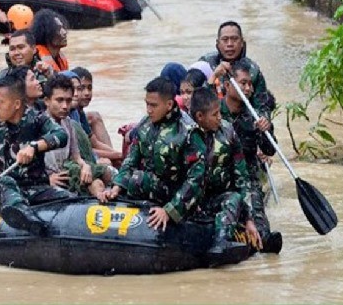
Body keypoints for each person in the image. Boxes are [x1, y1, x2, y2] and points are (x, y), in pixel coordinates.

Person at [98, 77, 206, 232]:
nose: (148, 110)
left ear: (169, 104)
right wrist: (117, 186)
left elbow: (196, 178)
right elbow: (131, 160)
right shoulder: (145, 124)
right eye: (147, 104)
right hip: (149, 187)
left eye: (153, 105)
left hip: (176, 194)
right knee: (134, 179)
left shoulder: (188, 132)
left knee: (138, 179)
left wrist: (169, 211)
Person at [0, 68, 70, 236]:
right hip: (6, 190)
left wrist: (34, 147)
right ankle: (27, 220)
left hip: (35, 187)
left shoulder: (37, 118)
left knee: (70, 198)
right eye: (32, 80)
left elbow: (61, 135)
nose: (38, 82)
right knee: (5, 181)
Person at [189, 87, 259, 259]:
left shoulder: (228, 132)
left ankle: (221, 243)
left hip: (216, 198)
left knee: (233, 198)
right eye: (215, 114)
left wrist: (249, 218)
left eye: (220, 112)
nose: (220, 118)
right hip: (187, 199)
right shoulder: (184, 134)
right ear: (199, 116)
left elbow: (241, 176)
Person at [220, 61, 281, 252]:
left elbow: (270, 150)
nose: (248, 88)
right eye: (243, 83)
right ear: (228, 85)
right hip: (217, 175)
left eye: (250, 84)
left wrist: (266, 130)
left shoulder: (255, 116)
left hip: (247, 178)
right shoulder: (213, 111)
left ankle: (261, 239)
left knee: (258, 222)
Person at [42, 74, 111, 196]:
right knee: (95, 184)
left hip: (66, 173)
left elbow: (76, 157)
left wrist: (85, 167)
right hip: (47, 179)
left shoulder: (68, 123)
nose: (65, 106)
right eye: (59, 100)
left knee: (102, 178)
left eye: (68, 101)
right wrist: (47, 179)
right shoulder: (37, 125)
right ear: (47, 101)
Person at [201, 21, 273, 117]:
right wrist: (214, 76)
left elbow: (262, 107)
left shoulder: (253, 70)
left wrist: (263, 120)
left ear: (242, 43)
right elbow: (194, 99)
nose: (230, 44)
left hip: (242, 122)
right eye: (225, 40)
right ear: (218, 44)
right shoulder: (205, 64)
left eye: (234, 39)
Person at [0, 30, 51, 118]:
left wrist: (51, 78)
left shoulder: (45, 73)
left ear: (34, 49)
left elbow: (57, 105)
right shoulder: (2, 77)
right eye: (12, 49)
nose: (16, 53)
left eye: (21, 47)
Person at [71, 66, 123, 166]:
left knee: (116, 159)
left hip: (85, 153)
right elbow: (85, 150)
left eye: (89, 88)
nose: (87, 93)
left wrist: (118, 154)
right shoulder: (70, 114)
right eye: (81, 88)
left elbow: (94, 143)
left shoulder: (80, 113)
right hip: (76, 158)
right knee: (107, 162)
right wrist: (116, 155)